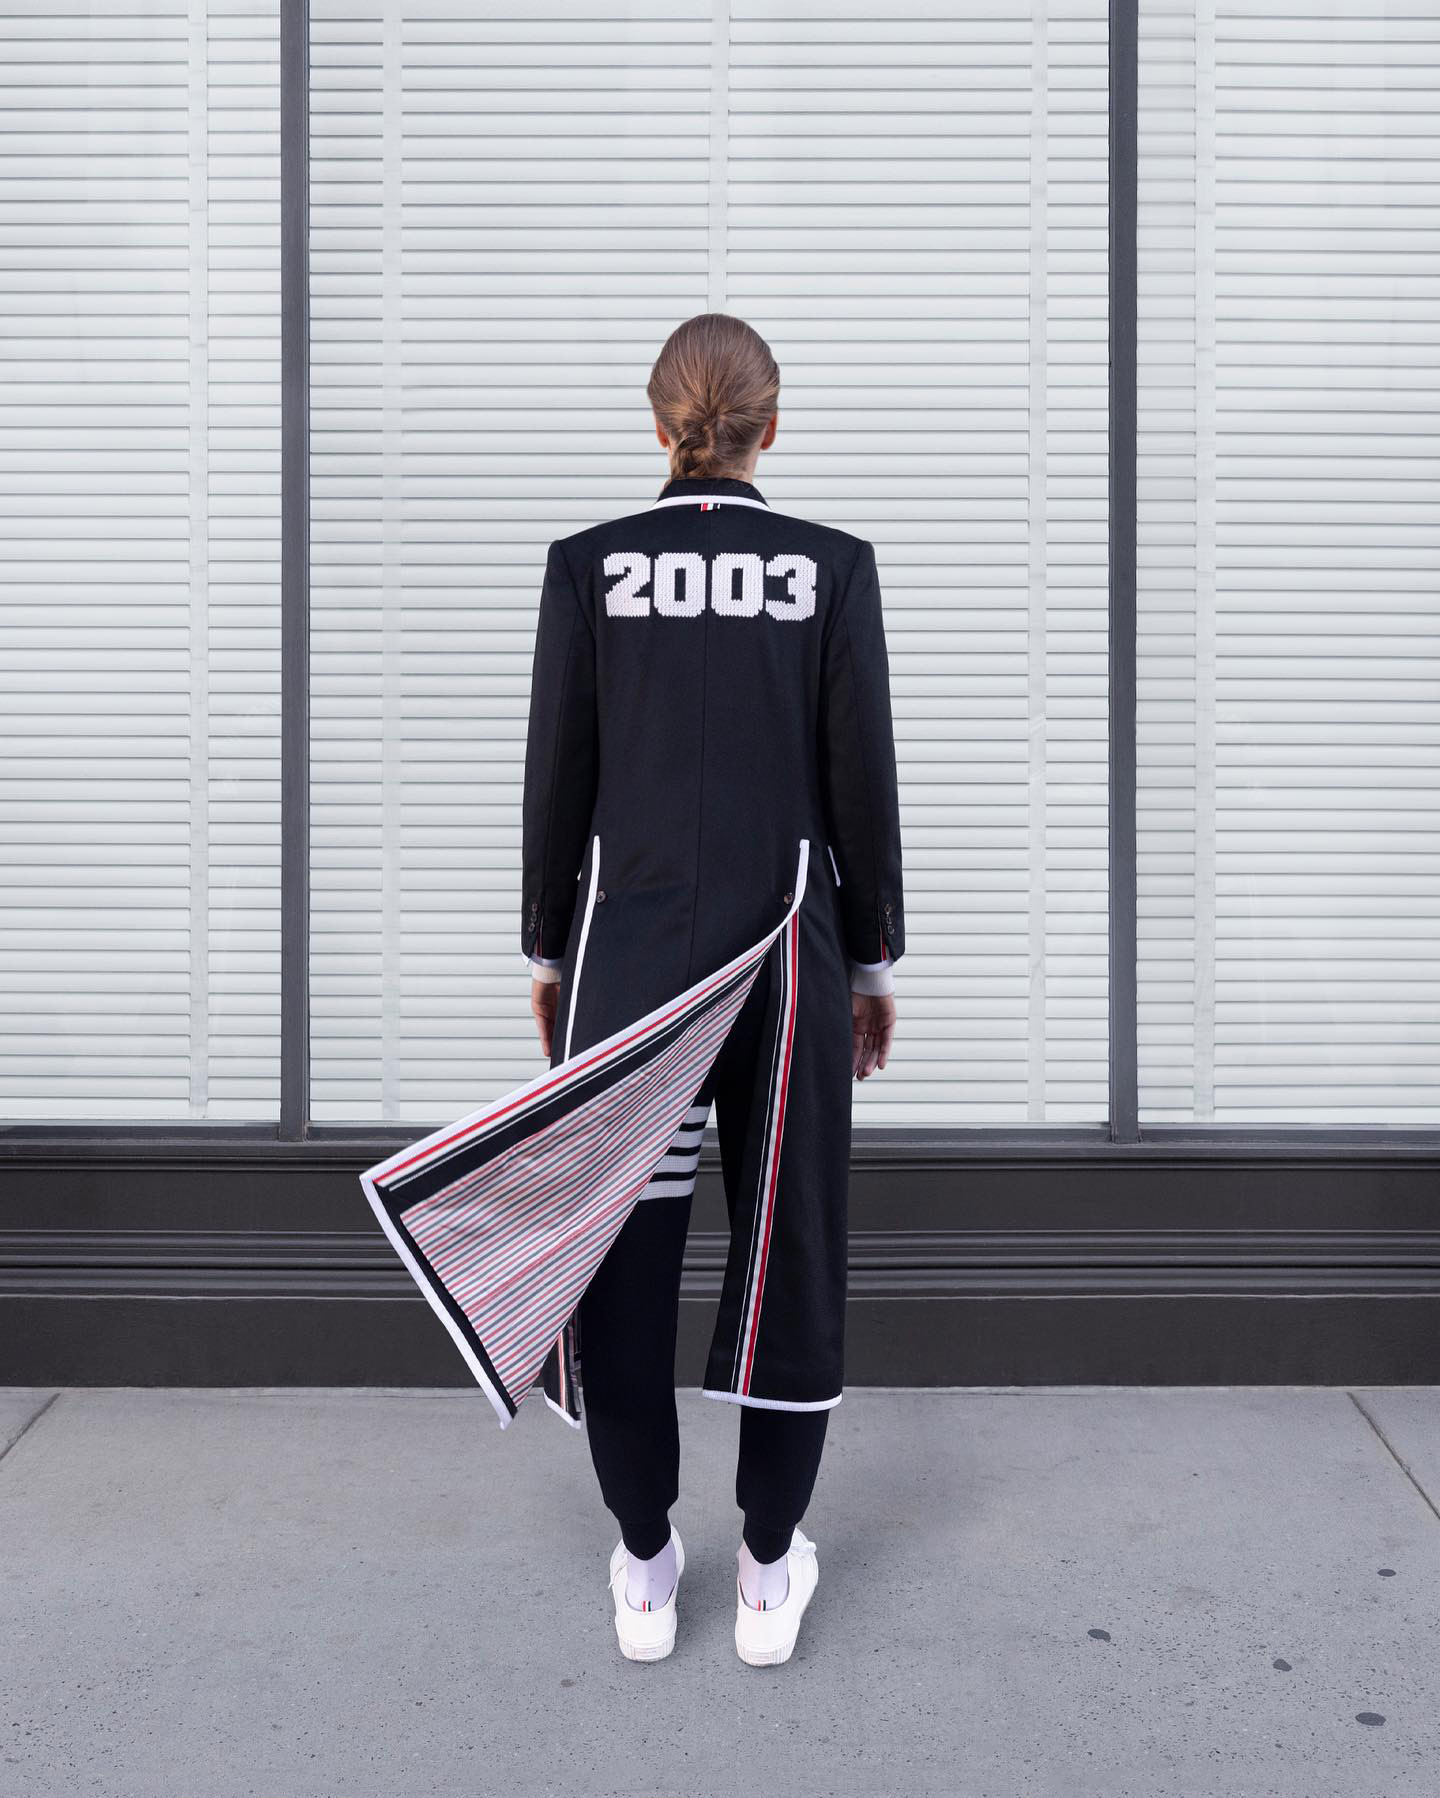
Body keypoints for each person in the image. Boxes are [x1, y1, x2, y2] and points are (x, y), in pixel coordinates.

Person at [519, 313, 904, 1666]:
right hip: (787, 963)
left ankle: (644, 1565)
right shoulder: (831, 569)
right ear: (770, 428)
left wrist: (551, 956)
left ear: (659, 424)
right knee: (789, 1246)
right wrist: (872, 961)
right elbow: (861, 783)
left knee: (623, 1260)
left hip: (632, 973)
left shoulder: (588, 567)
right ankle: (766, 1572)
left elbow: (558, 781)